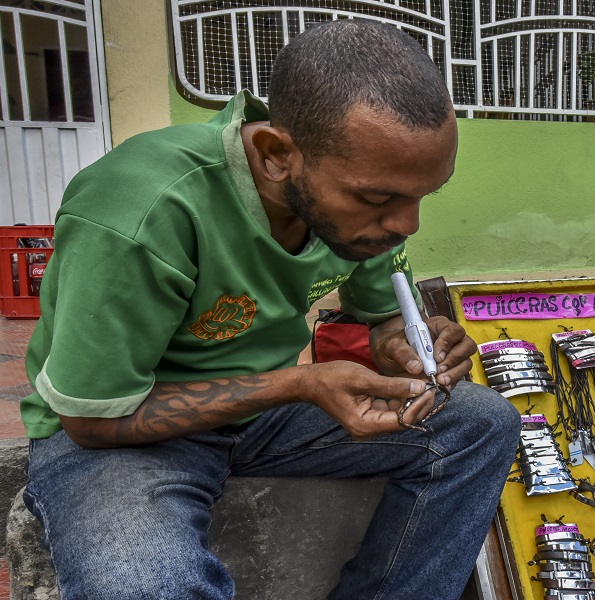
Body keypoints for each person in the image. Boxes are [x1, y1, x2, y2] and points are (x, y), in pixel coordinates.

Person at [21, 19, 521, 600]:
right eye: (379, 199)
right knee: (148, 585)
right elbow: (91, 419)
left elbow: (381, 315)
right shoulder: (143, 207)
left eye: (420, 197)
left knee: (480, 425)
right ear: (276, 154)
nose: (406, 224)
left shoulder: (358, 199)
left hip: (260, 416)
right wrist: (299, 383)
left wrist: (401, 342)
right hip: (118, 433)